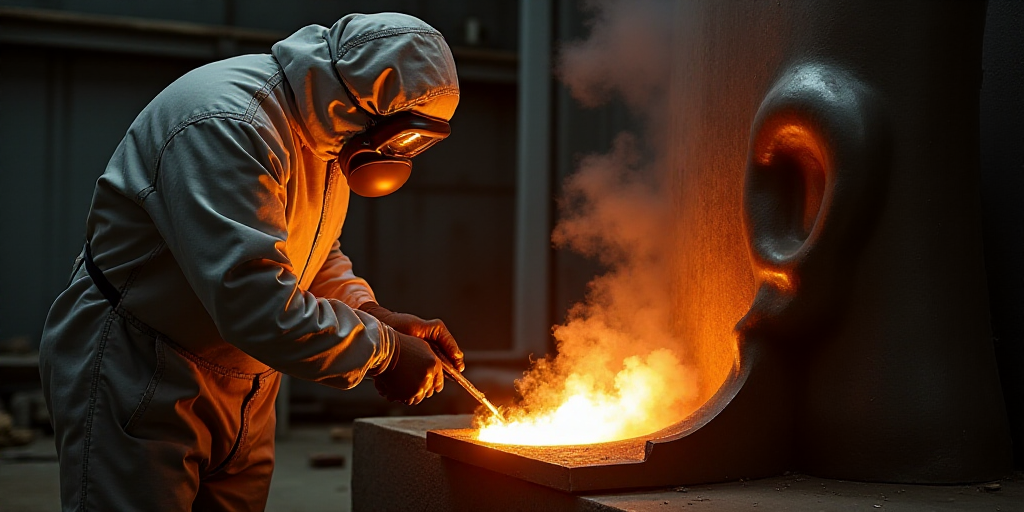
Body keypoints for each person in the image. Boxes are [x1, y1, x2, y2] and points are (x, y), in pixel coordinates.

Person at [38, 12, 465, 511]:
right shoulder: (228, 124)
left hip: (247, 379)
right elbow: (254, 302)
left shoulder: (325, 133)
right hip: (142, 365)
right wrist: (384, 352)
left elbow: (311, 253)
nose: (402, 152)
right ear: (365, 102)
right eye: (406, 135)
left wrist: (374, 315)